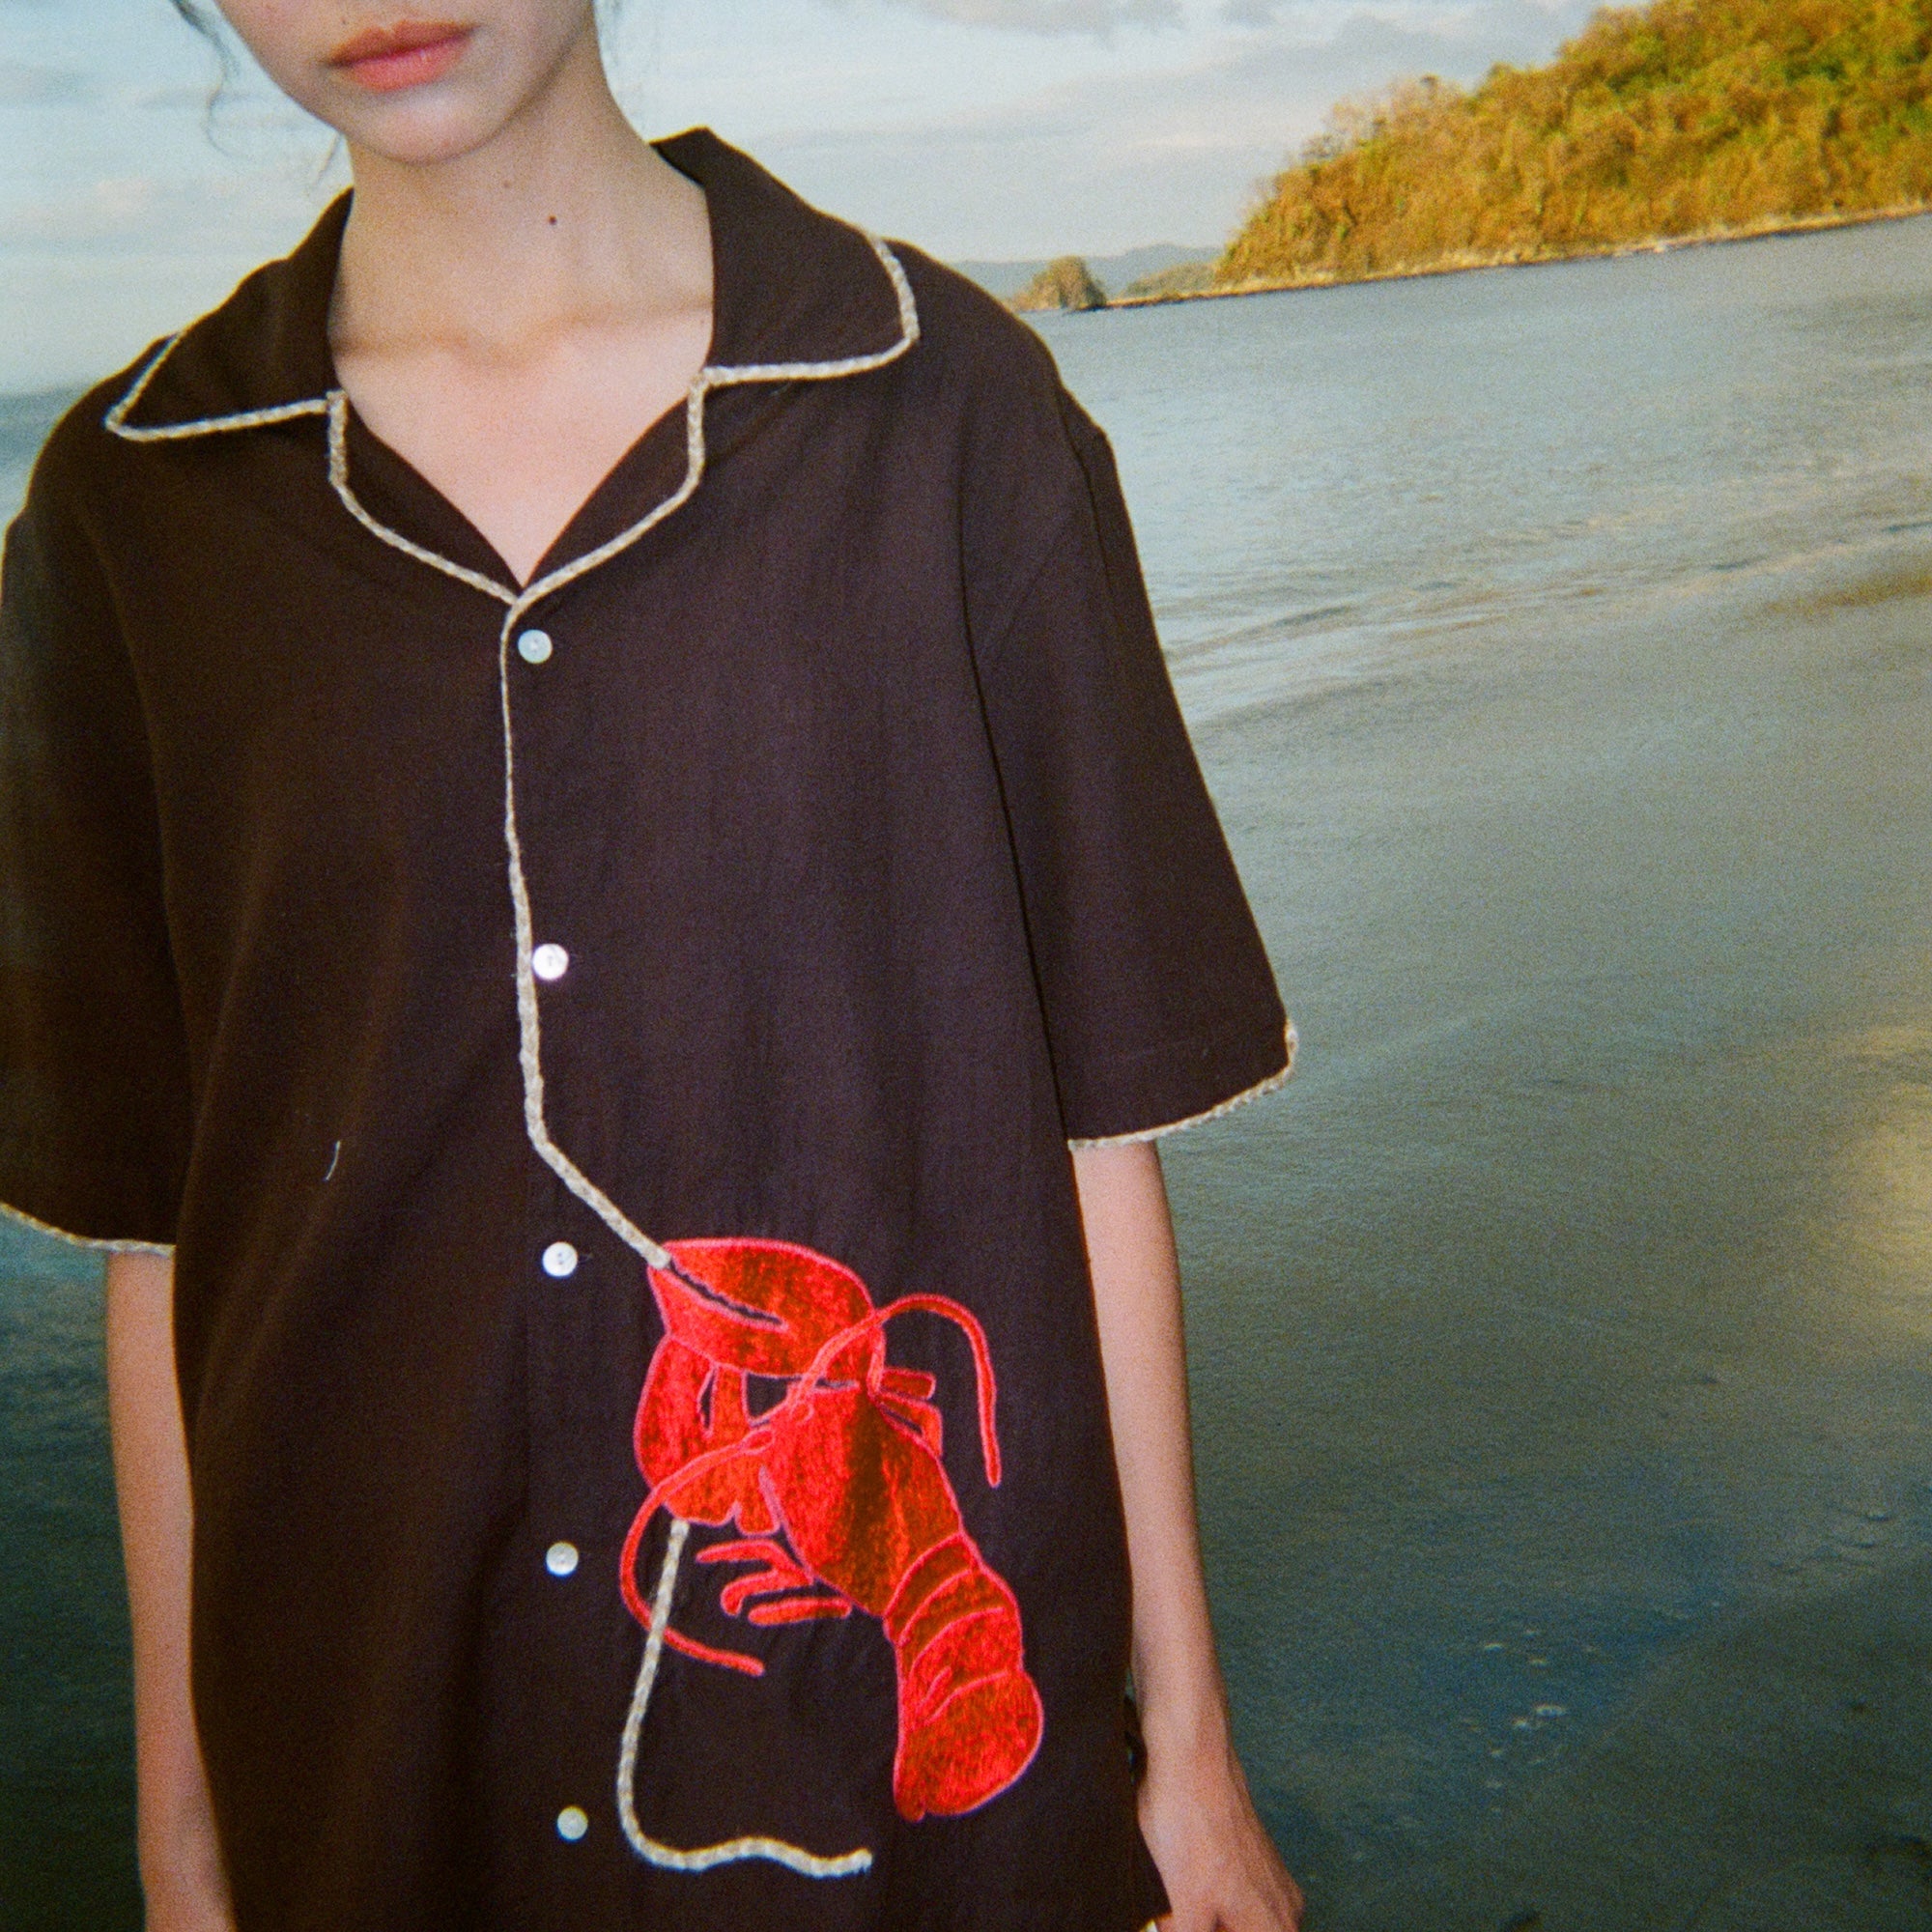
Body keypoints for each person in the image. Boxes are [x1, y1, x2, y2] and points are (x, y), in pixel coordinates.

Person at [0, 0, 1306, 1925]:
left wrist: (1182, 1742)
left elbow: (1100, 1136)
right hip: (358, 1770)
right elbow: (169, 1242)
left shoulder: (948, 412)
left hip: (917, 1820)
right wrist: (183, 1839)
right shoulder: (128, 512)